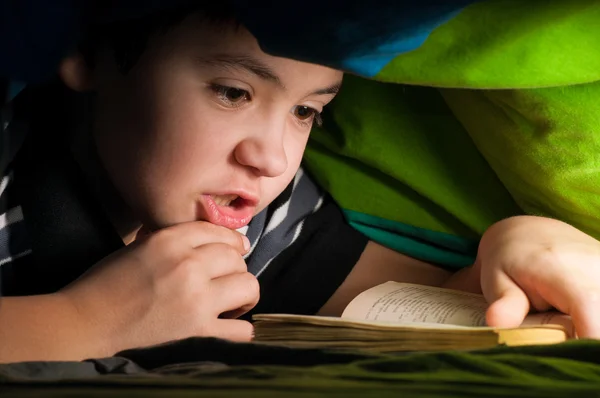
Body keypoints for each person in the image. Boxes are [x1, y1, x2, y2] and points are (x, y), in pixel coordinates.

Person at [0, 2, 599, 365]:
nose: (273, 157)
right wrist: (86, 323)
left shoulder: (266, 216)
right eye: (232, 93)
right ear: (89, 53)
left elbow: (397, 304)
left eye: (306, 112)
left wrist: (518, 244)